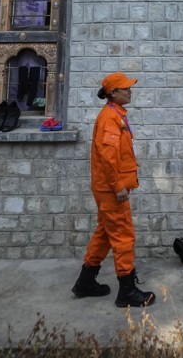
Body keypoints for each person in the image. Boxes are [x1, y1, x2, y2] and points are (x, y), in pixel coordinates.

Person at [71, 71, 155, 307]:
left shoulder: (116, 115)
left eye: (129, 87)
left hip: (108, 188)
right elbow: (108, 157)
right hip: (111, 189)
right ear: (112, 93)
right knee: (123, 235)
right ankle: (127, 291)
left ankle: (85, 282)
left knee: (105, 233)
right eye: (125, 88)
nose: (130, 91)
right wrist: (118, 185)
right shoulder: (110, 119)